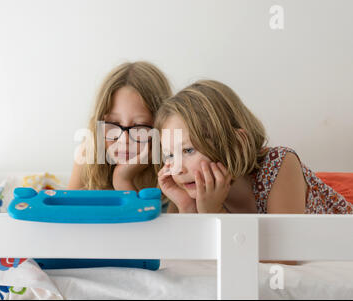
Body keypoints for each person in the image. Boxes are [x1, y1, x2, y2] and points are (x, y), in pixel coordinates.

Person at [155, 79, 353, 215]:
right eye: (169, 155)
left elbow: (283, 258)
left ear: (237, 145)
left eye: (188, 150)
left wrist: (214, 213)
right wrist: (188, 207)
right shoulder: (199, 194)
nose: (177, 168)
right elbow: (195, 257)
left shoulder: (279, 164)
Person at [68, 61, 172, 193]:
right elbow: (67, 210)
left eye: (139, 127)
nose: (124, 140)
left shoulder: (173, 167)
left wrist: (122, 179)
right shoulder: (88, 150)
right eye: (114, 124)